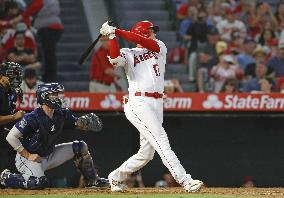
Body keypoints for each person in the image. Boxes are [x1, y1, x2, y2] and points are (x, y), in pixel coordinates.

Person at [99, 20, 203, 192]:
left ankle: (115, 177)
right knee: (161, 139)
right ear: (144, 33)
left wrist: (117, 30)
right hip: (139, 102)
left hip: (156, 103)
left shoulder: (159, 46)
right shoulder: (129, 52)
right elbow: (115, 60)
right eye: (151, 30)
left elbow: (147, 43)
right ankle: (185, 181)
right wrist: (112, 36)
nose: (154, 33)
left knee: (146, 154)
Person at [0, 83, 109, 189]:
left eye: (58, 94)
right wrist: (28, 155)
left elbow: (76, 123)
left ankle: (93, 180)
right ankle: (8, 178)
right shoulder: (32, 117)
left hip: (49, 154)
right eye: (54, 95)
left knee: (80, 147)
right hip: (29, 158)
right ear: (44, 97)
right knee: (37, 183)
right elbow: (11, 137)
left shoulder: (61, 114)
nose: (57, 97)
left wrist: (83, 123)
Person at [9, 0, 63, 82]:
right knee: (48, 54)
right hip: (50, 26)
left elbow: (36, 6)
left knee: (49, 54)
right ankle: (49, 77)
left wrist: (19, 17)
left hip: (49, 28)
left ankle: (50, 78)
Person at [0, 62, 25, 175]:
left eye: (17, 75)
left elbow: (14, 93)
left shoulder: (11, 91)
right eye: (11, 75)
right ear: (1, 76)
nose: (15, 78)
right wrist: (14, 116)